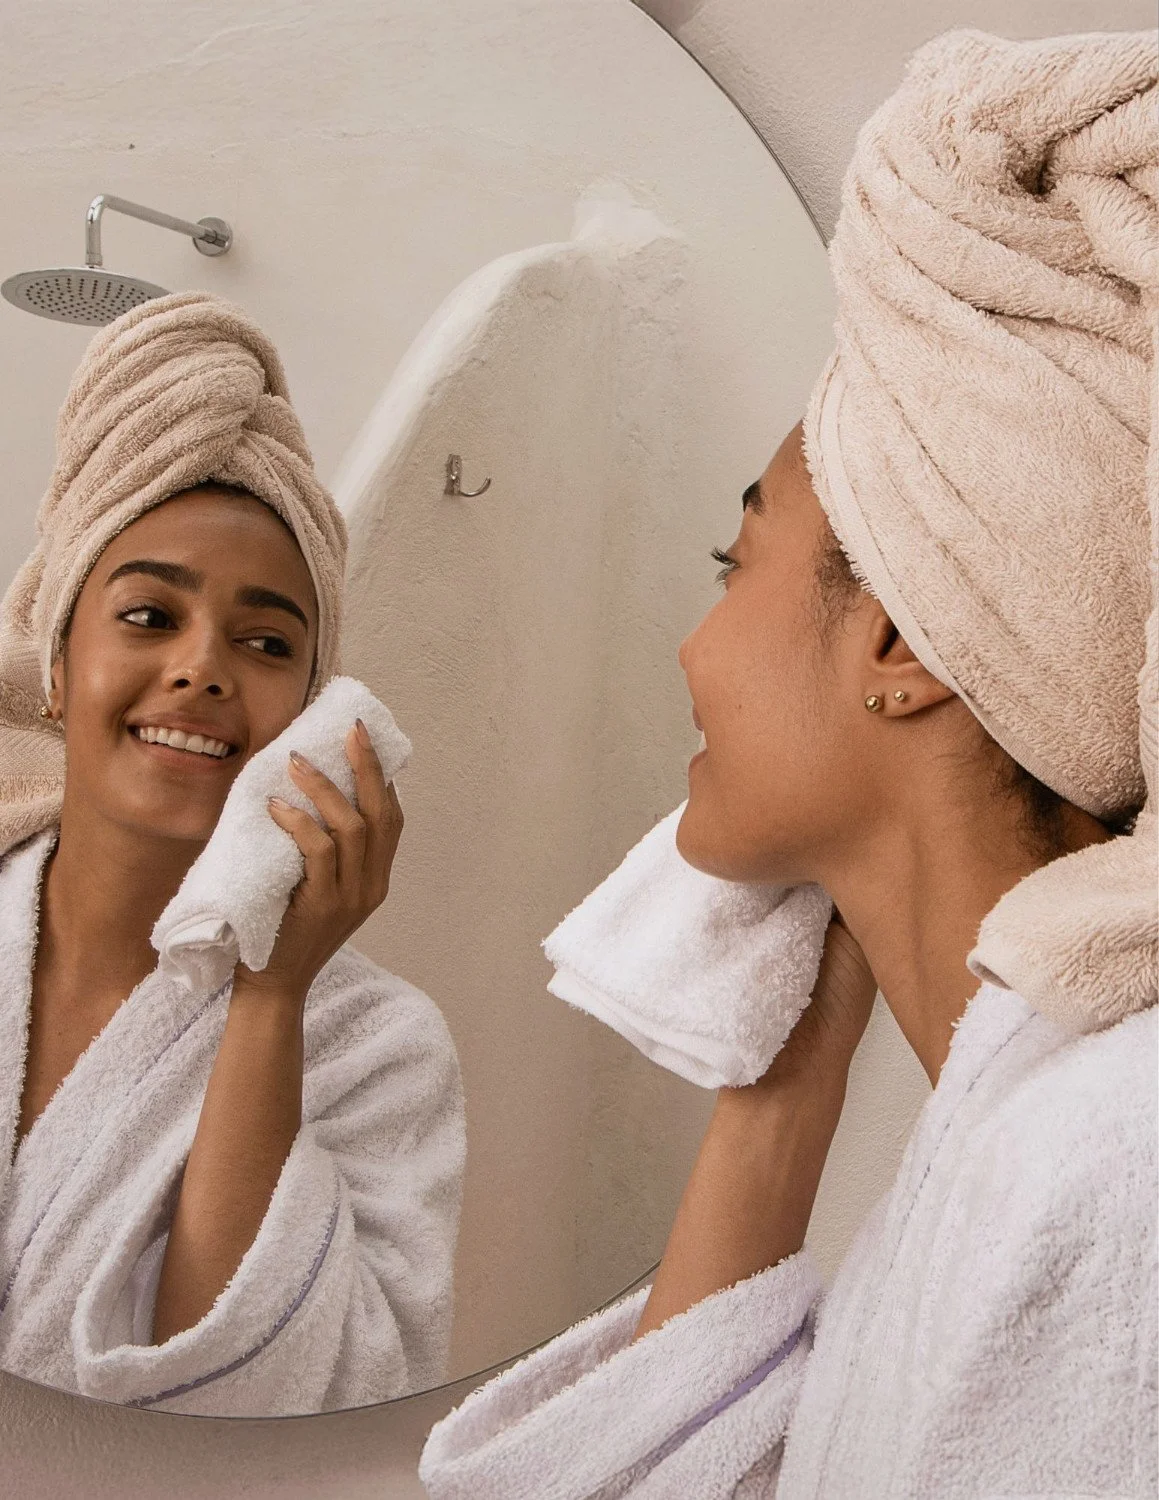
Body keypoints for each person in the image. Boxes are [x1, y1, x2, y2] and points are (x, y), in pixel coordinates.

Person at [418, 26, 1158, 1498]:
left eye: (728, 560)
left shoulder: (1104, 1159)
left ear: (896, 647)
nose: (691, 651)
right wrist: (776, 1080)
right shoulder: (1008, 1140)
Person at [0, 292, 465, 1416]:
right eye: (149, 617)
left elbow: (259, 1403)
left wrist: (270, 996)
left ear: (313, 707)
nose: (203, 670)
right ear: (58, 664)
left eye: (265, 642)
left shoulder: (374, 1046)